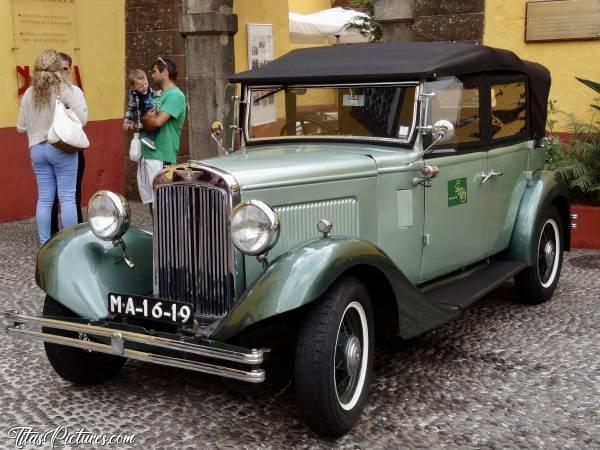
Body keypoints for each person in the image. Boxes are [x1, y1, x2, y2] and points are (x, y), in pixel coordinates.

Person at [16, 50, 88, 245]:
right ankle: (72, 245)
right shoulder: (65, 89)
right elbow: (82, 120)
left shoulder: (29, 93)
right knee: (67, 198)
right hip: (61, 147)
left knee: (45, 199)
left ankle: (44, 245)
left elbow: (20, 127)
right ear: (58, 67)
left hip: (37, 150)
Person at [137, 57, 186, 214]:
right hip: (147, 154)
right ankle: (158, 237)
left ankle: (169, 238)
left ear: (165, 72)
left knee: (164, 205)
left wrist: (140, 122)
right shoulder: (157, 95)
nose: (151, 76)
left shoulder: (175, 95)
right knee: (152, 203)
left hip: (161, 156)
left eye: (154, 72)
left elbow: (157, 122)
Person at [50, 52, 88, 235]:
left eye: (65, 68)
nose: (62, 73)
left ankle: (76, 232)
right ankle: (51, 233)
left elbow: (83, 120)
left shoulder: (75, 91)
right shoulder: (46, 92)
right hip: (51, 145)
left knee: (73, 193)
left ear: (70, 69)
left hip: (72, 147)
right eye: (59, 69)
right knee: (50, 196)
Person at [123, 69, 159, 149]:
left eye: (146, 83)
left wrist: (158, 93)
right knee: (153, 126)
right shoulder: (134, 95)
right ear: (134, 87)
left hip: (149, 111)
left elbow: (152, 93)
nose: (144, 87)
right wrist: (128, 121)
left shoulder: (149, 89)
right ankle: (149, 139)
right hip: (141, 115)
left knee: (156, 125)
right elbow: (130, 109)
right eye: (141, 86)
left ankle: (149, 138)